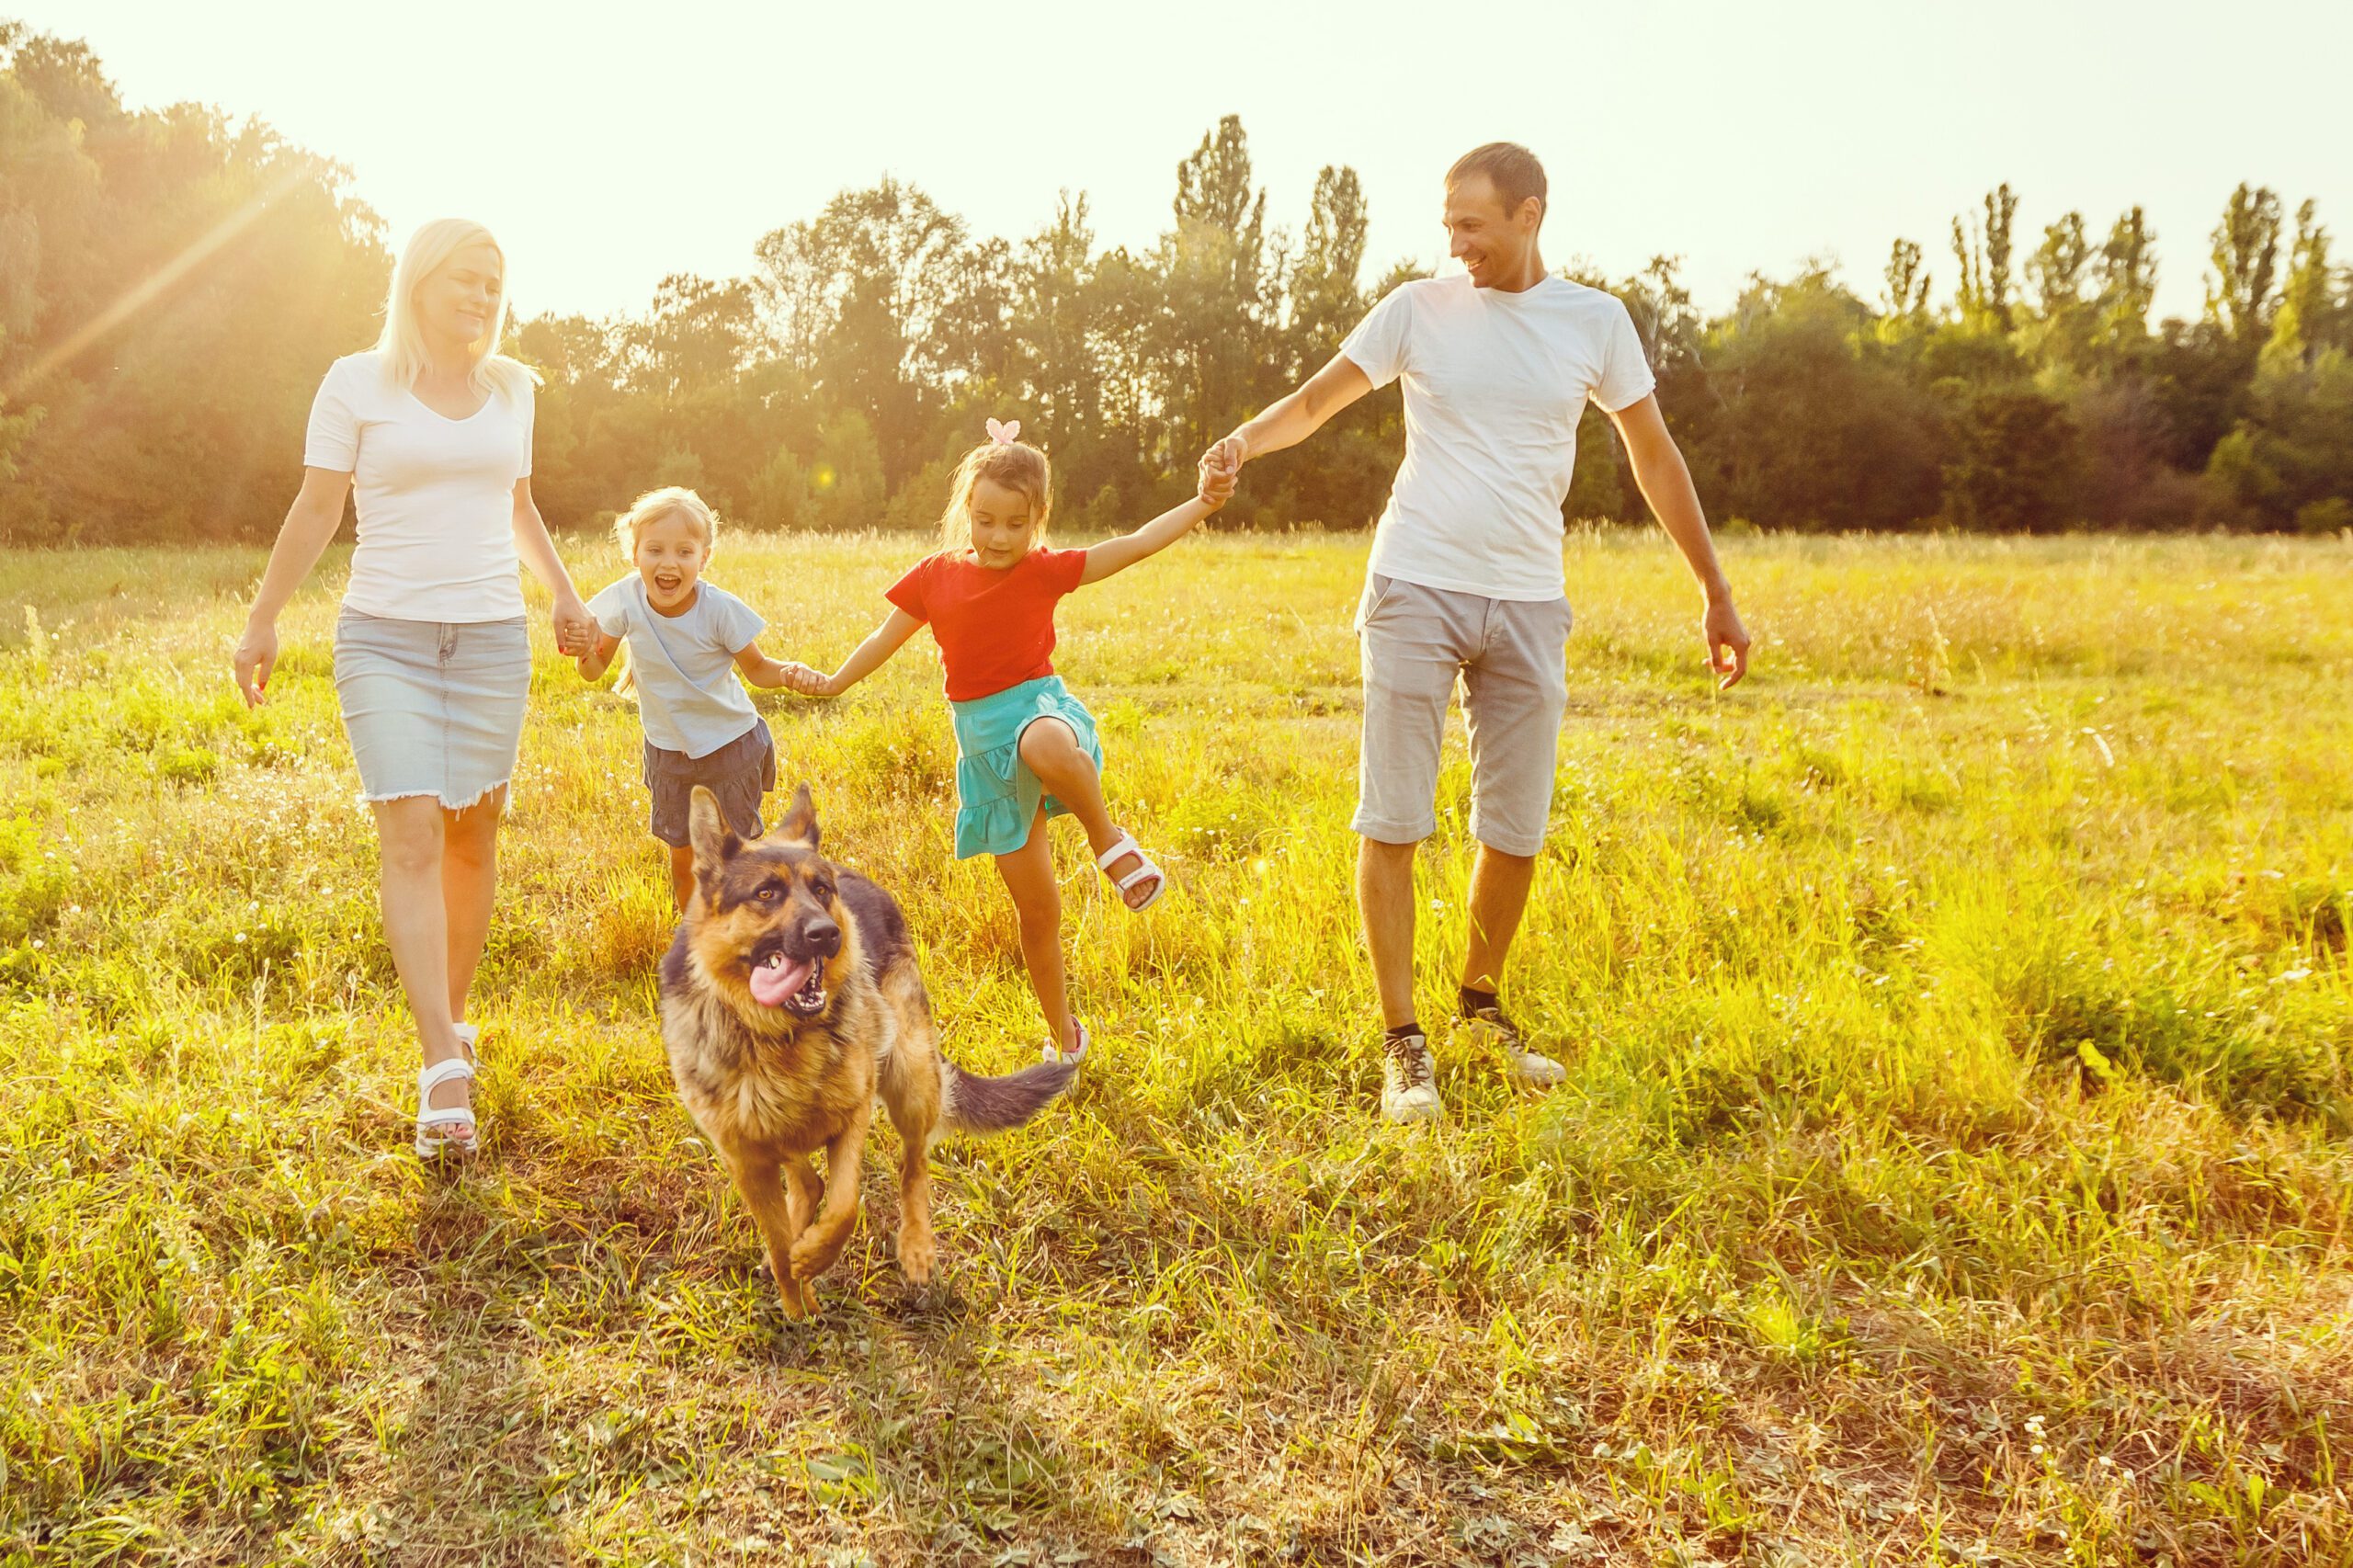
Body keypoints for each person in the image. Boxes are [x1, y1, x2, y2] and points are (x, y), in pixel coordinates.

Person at [1199, 142, 1753, 1124]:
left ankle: (1479, 1007)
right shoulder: (1418, 308)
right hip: (1416, 582)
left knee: (1516, 826)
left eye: (1473, 226)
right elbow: (1321, 398)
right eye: (1448, 225)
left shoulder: (1595, 322)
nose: (1456, 245)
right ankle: (1402, 1043)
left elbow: (1654, 457)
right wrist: (1243, 439)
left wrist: (1712, 587)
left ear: (1528, 215)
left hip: (1530, 599)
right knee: (1396, 817)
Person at [232, 218, 597, 1158]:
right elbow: (318, 503)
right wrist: (264, 616)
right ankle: (442, 1063)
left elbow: (517, 506)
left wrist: (563, 593)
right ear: (419, 283)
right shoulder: (356, 381)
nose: (479, 296)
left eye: (492, 281)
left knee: (474, 831)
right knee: (409, 828)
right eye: (462, 279)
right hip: (383, 637)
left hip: (488, 640)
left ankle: (448, 1029)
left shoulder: (512, 389)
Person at [781, 419, 1233, 1063]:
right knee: (1037, 915)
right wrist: (831, 682)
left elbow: (1132, 545)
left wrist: (1204, 503)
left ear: (1038, 519)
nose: (998, 537)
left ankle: (1111, 842)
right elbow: (883, 640)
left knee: (1042, 745)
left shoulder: (1045, 571)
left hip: (1039, 711)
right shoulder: (933, 577)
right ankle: (1065, 1040)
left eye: (1014, 525)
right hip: (982, 748)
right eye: (985, 520)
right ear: (968, 509)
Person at [574, 486, 801, 910]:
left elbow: (757, 669)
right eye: (655, 550)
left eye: (684, 551)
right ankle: (696, 940)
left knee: (738, 859)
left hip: (730, 746)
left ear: (704, 556)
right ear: (635, 553)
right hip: (669, 754)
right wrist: (582, 646)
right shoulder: (624, 599)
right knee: (683, 858)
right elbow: (591, 670)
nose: (668, 563)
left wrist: (791, 673)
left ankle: (749, 937)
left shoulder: (718, 609)